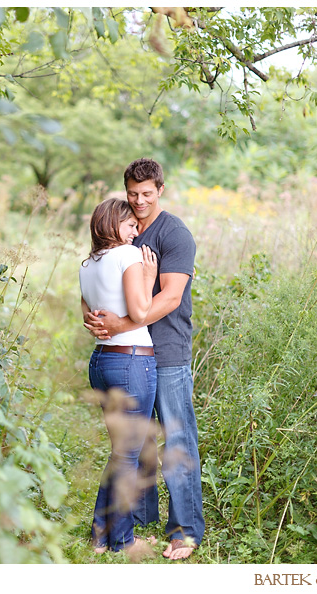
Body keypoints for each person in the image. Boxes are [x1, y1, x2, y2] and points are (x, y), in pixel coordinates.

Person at [84, 158, 203, 560]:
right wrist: (96, 318)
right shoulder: (124, 234)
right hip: (130, 356)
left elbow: (170, 298)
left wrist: (119, 325)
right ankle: (131, 524)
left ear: (160, 190)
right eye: (132, 194)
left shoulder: (174, 234)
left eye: (146, 194)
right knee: (137, 443)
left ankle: (184, 533)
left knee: (177, 441)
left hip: (166, 351)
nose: (138, 202)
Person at [79, 198, 159, 554]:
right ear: (111, 225)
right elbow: (141, 310)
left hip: (102, 362)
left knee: (120, 453)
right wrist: (150, 275)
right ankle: (122, 542)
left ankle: (100, 536)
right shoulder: (128, 256)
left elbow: (90, 319)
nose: (135, 230)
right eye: (129, 224)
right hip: (131, 360)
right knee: (127, 455)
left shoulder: (87, 265)